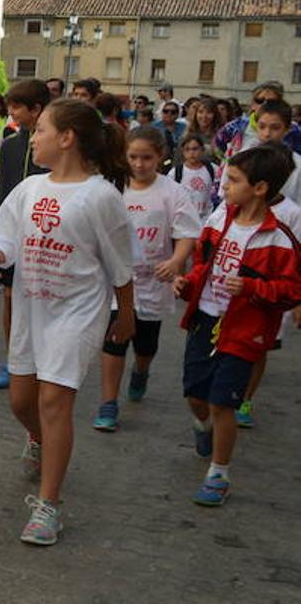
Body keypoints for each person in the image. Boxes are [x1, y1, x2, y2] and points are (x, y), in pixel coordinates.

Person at [0, 98, 135, 546]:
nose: (33, 136)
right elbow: (5, 236)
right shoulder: (29, 188)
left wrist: (126, 316)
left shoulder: (102, 196)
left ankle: (49, 506)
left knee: (53, 403)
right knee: (22, 402)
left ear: (67, 138)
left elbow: (121, 265)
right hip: (31, 308)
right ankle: (40, 441)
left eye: (41, 129)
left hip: (77, 312)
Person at [173, 144, 301, 507]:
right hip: (205, 319)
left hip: (245, 329)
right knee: (195, 395)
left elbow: (291, 289)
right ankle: (204, 429)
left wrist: (253, 288)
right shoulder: (219, 219)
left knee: (222, 403)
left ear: (259, 188)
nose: (224, 185)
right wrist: (189, 283)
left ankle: (218, 472)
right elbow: (204, 263)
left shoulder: (280, 237)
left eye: (232, 180)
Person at [92, 126, 200, 431]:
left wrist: (176, 261)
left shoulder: (173, 192)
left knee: (144, 345)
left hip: (153, 282)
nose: (139, 164)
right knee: (114, 340)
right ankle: (108, 402)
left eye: (147, 158)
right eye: (133, 157)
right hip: (116, 283)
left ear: (161, 157)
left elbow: (187, 232)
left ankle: (141, 372)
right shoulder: (113, 187)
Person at [229, 110, 301, 429]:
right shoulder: (242, 166)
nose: (269, 132)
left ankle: (244, 398)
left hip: (271, 284)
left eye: (277, 127)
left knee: (258, 344)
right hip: (234, 281)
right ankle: (222, 391)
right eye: (264, 126)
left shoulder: (291, 209)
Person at [0, 79, 51, 385]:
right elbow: (2, 188)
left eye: (16, 108)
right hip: (13, 235)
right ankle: (13, 359)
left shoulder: (54, 147)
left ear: (37, 109)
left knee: (41, 299)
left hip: (45, 237)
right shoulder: (10, 144)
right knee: (10, 297)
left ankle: (43, 359)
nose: (11, 113)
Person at [175, 134, 218, 220]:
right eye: (187, 149)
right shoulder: (175, 173)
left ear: (202, 150)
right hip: (185, 221)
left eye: (195, 149)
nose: (191, 153)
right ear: (183, 152)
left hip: (208, 218)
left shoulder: (213, 169)